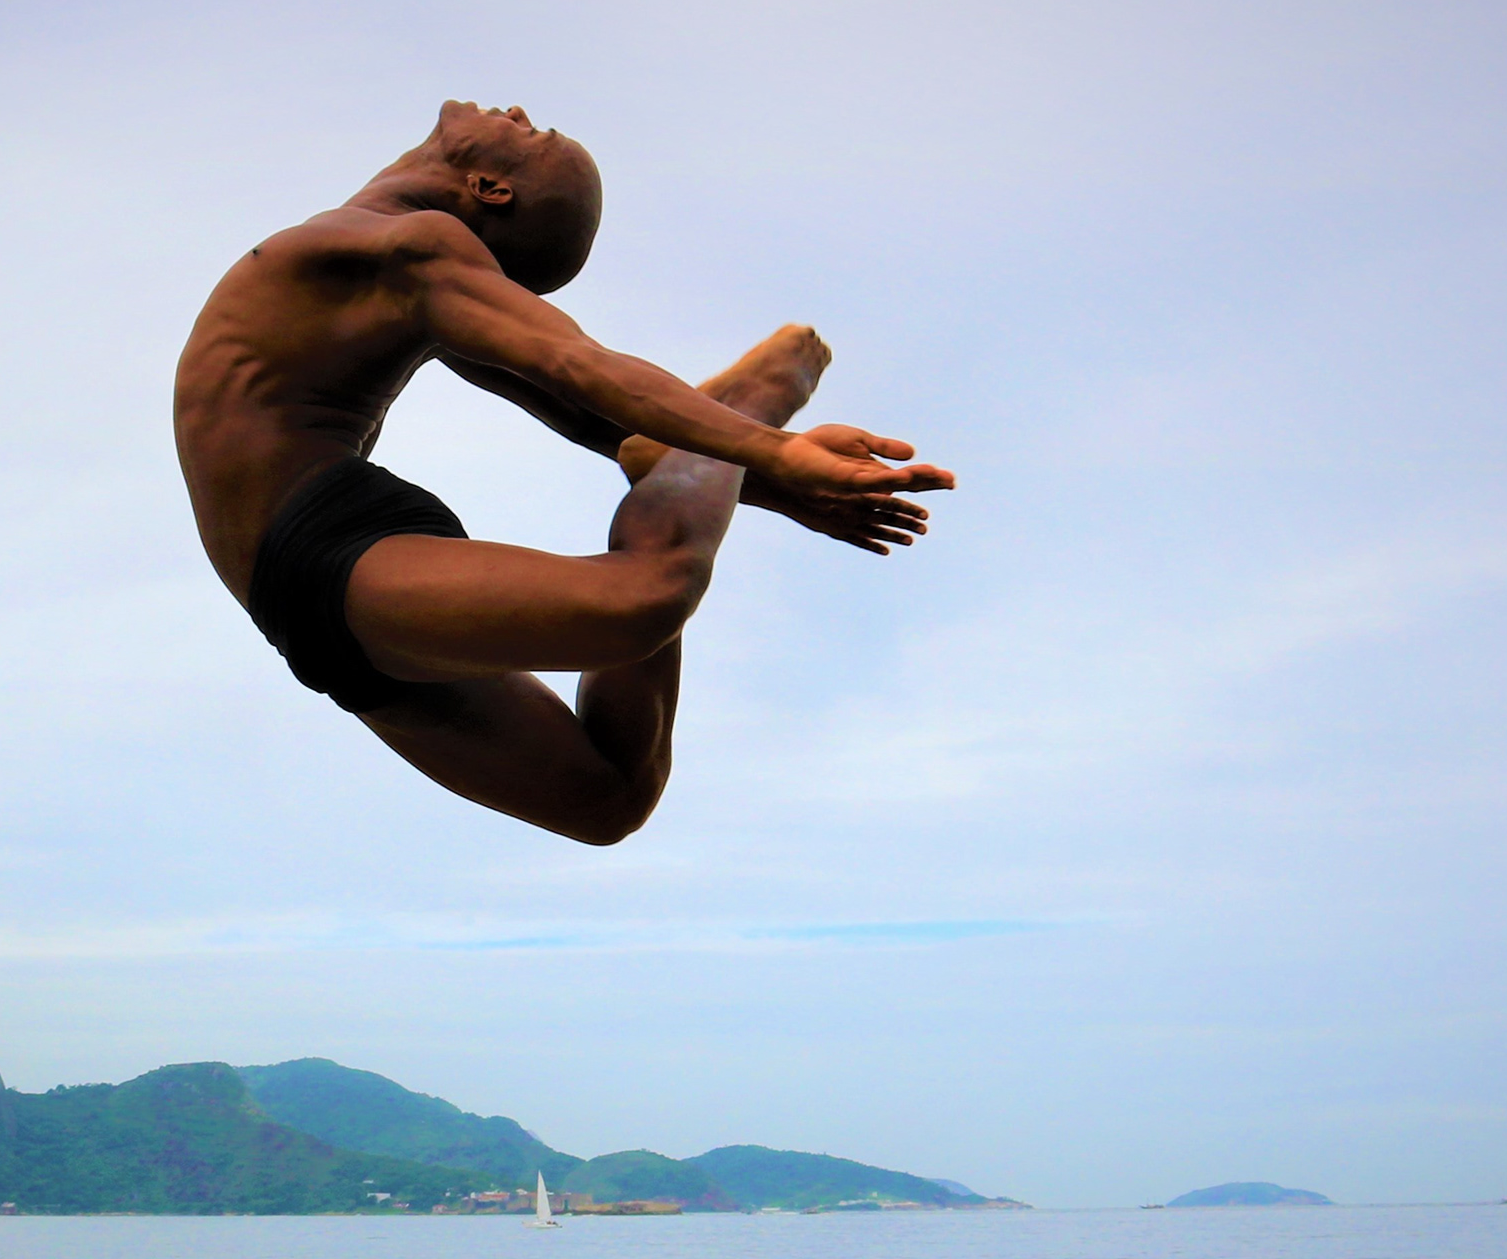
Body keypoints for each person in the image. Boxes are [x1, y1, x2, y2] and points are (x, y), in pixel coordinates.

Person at [172, 100, 953, 844]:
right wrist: (767, 482)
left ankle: (761, 391)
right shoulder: (373, 256)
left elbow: (572, 367)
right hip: (306, 619)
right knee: (609, 798)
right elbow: (592, 416)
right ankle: (694, 462)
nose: (515, 111)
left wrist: (772, 451)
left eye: (534, 131)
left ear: (489, 187)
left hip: (332, 554)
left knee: (651, 596)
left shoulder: (415, 253)